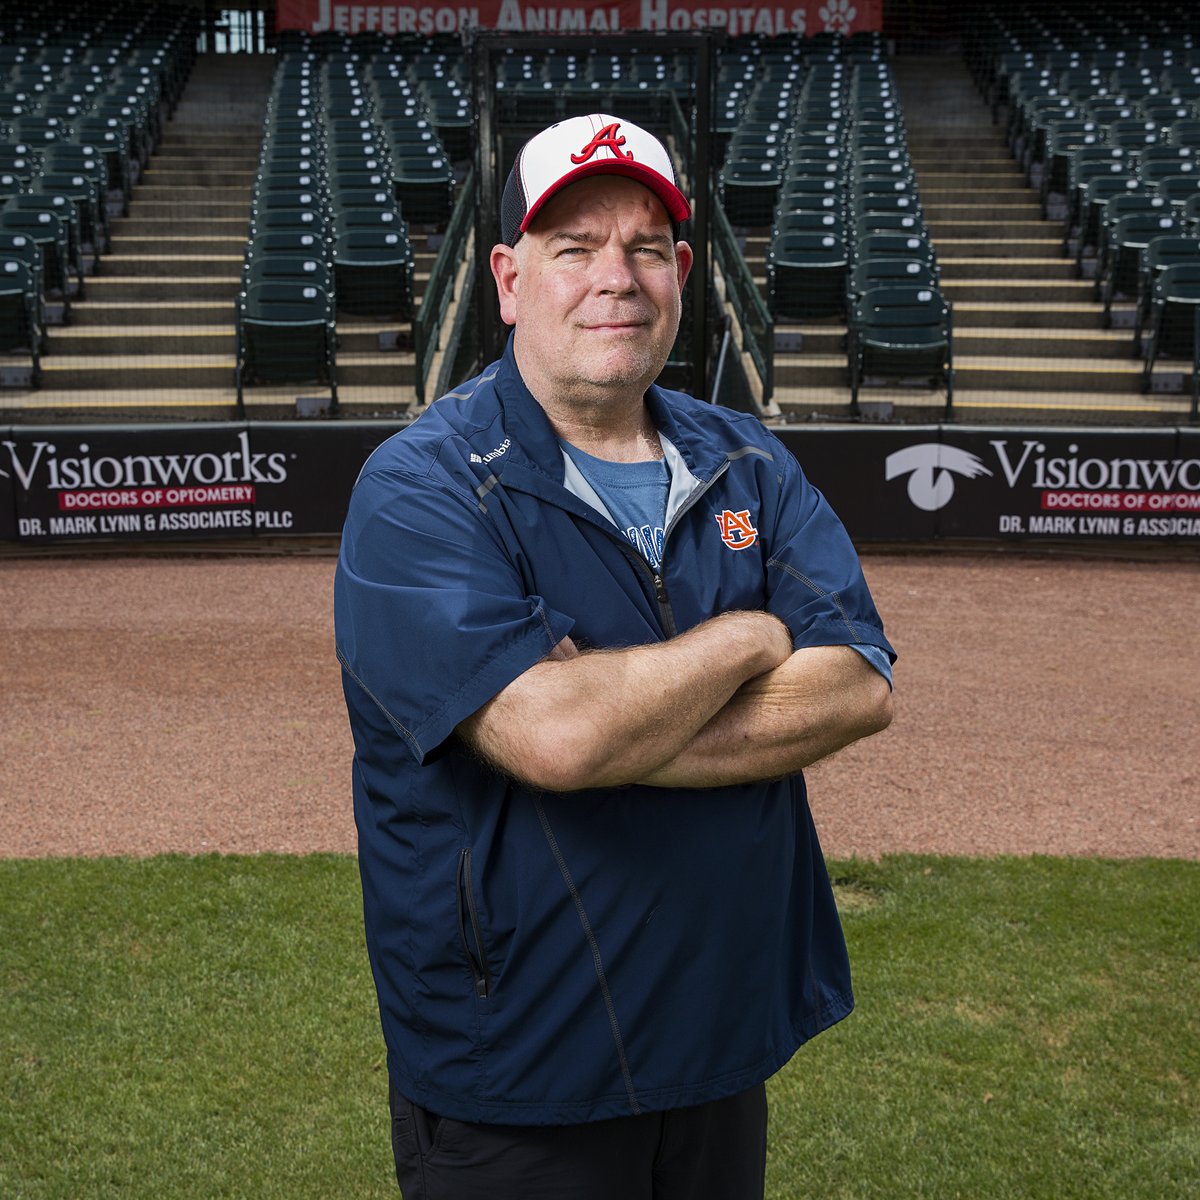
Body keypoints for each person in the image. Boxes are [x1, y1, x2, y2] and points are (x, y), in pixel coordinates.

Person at [334, 112, 895, 1200]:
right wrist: (749, 636)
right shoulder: (420, 487)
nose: (617, 278)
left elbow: (859, 686)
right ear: (507, 280)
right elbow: (556, 733)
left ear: (683, 273)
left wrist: (623, 712)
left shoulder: (746, 461)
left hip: (719, 1039)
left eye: (646, 247)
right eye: (574, 247)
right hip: (521, 1063)